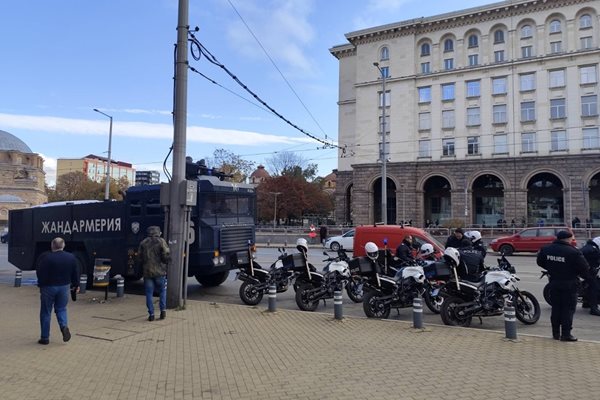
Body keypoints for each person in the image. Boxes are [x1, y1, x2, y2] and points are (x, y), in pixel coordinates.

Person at [537, 230, 590, 341]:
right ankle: (566, 334)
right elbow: (584, 267)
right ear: (568, 239)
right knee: (568, 309)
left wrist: (552, 268)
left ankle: (555, 333)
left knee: (556, 308)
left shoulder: (547, 249)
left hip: (554, 282)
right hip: (570, 283)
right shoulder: (573, 252)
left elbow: (540, 262)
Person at [35, 237, 80, 345]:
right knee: (61, 309)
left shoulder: (45, 257)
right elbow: (75, 272)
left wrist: (41, 284)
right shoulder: (71, 257)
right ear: (63, 245)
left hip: (48, 287)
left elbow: (40, 272)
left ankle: (45, 338)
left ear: (52, 245)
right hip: (64, 287)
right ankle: (64, 326)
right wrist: (76, 285)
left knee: (46, 312)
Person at [138, 226, 170, 321]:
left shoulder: (143, 243)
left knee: (149, 293)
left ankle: (151, 314)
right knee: (162, 291)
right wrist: (165, 262)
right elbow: (166, 255)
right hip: (160, 272)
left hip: (147, 272)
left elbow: (139, 258)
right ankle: (163, 311)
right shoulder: (161, 241)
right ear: (158, 233)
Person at [580, 237, 600, 316]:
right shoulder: (592, 250)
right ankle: (593, 309)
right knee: (594, 285)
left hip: (585, 267)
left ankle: (586, 302)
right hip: (583, 268)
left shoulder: (591, 247)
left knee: (592, 280)